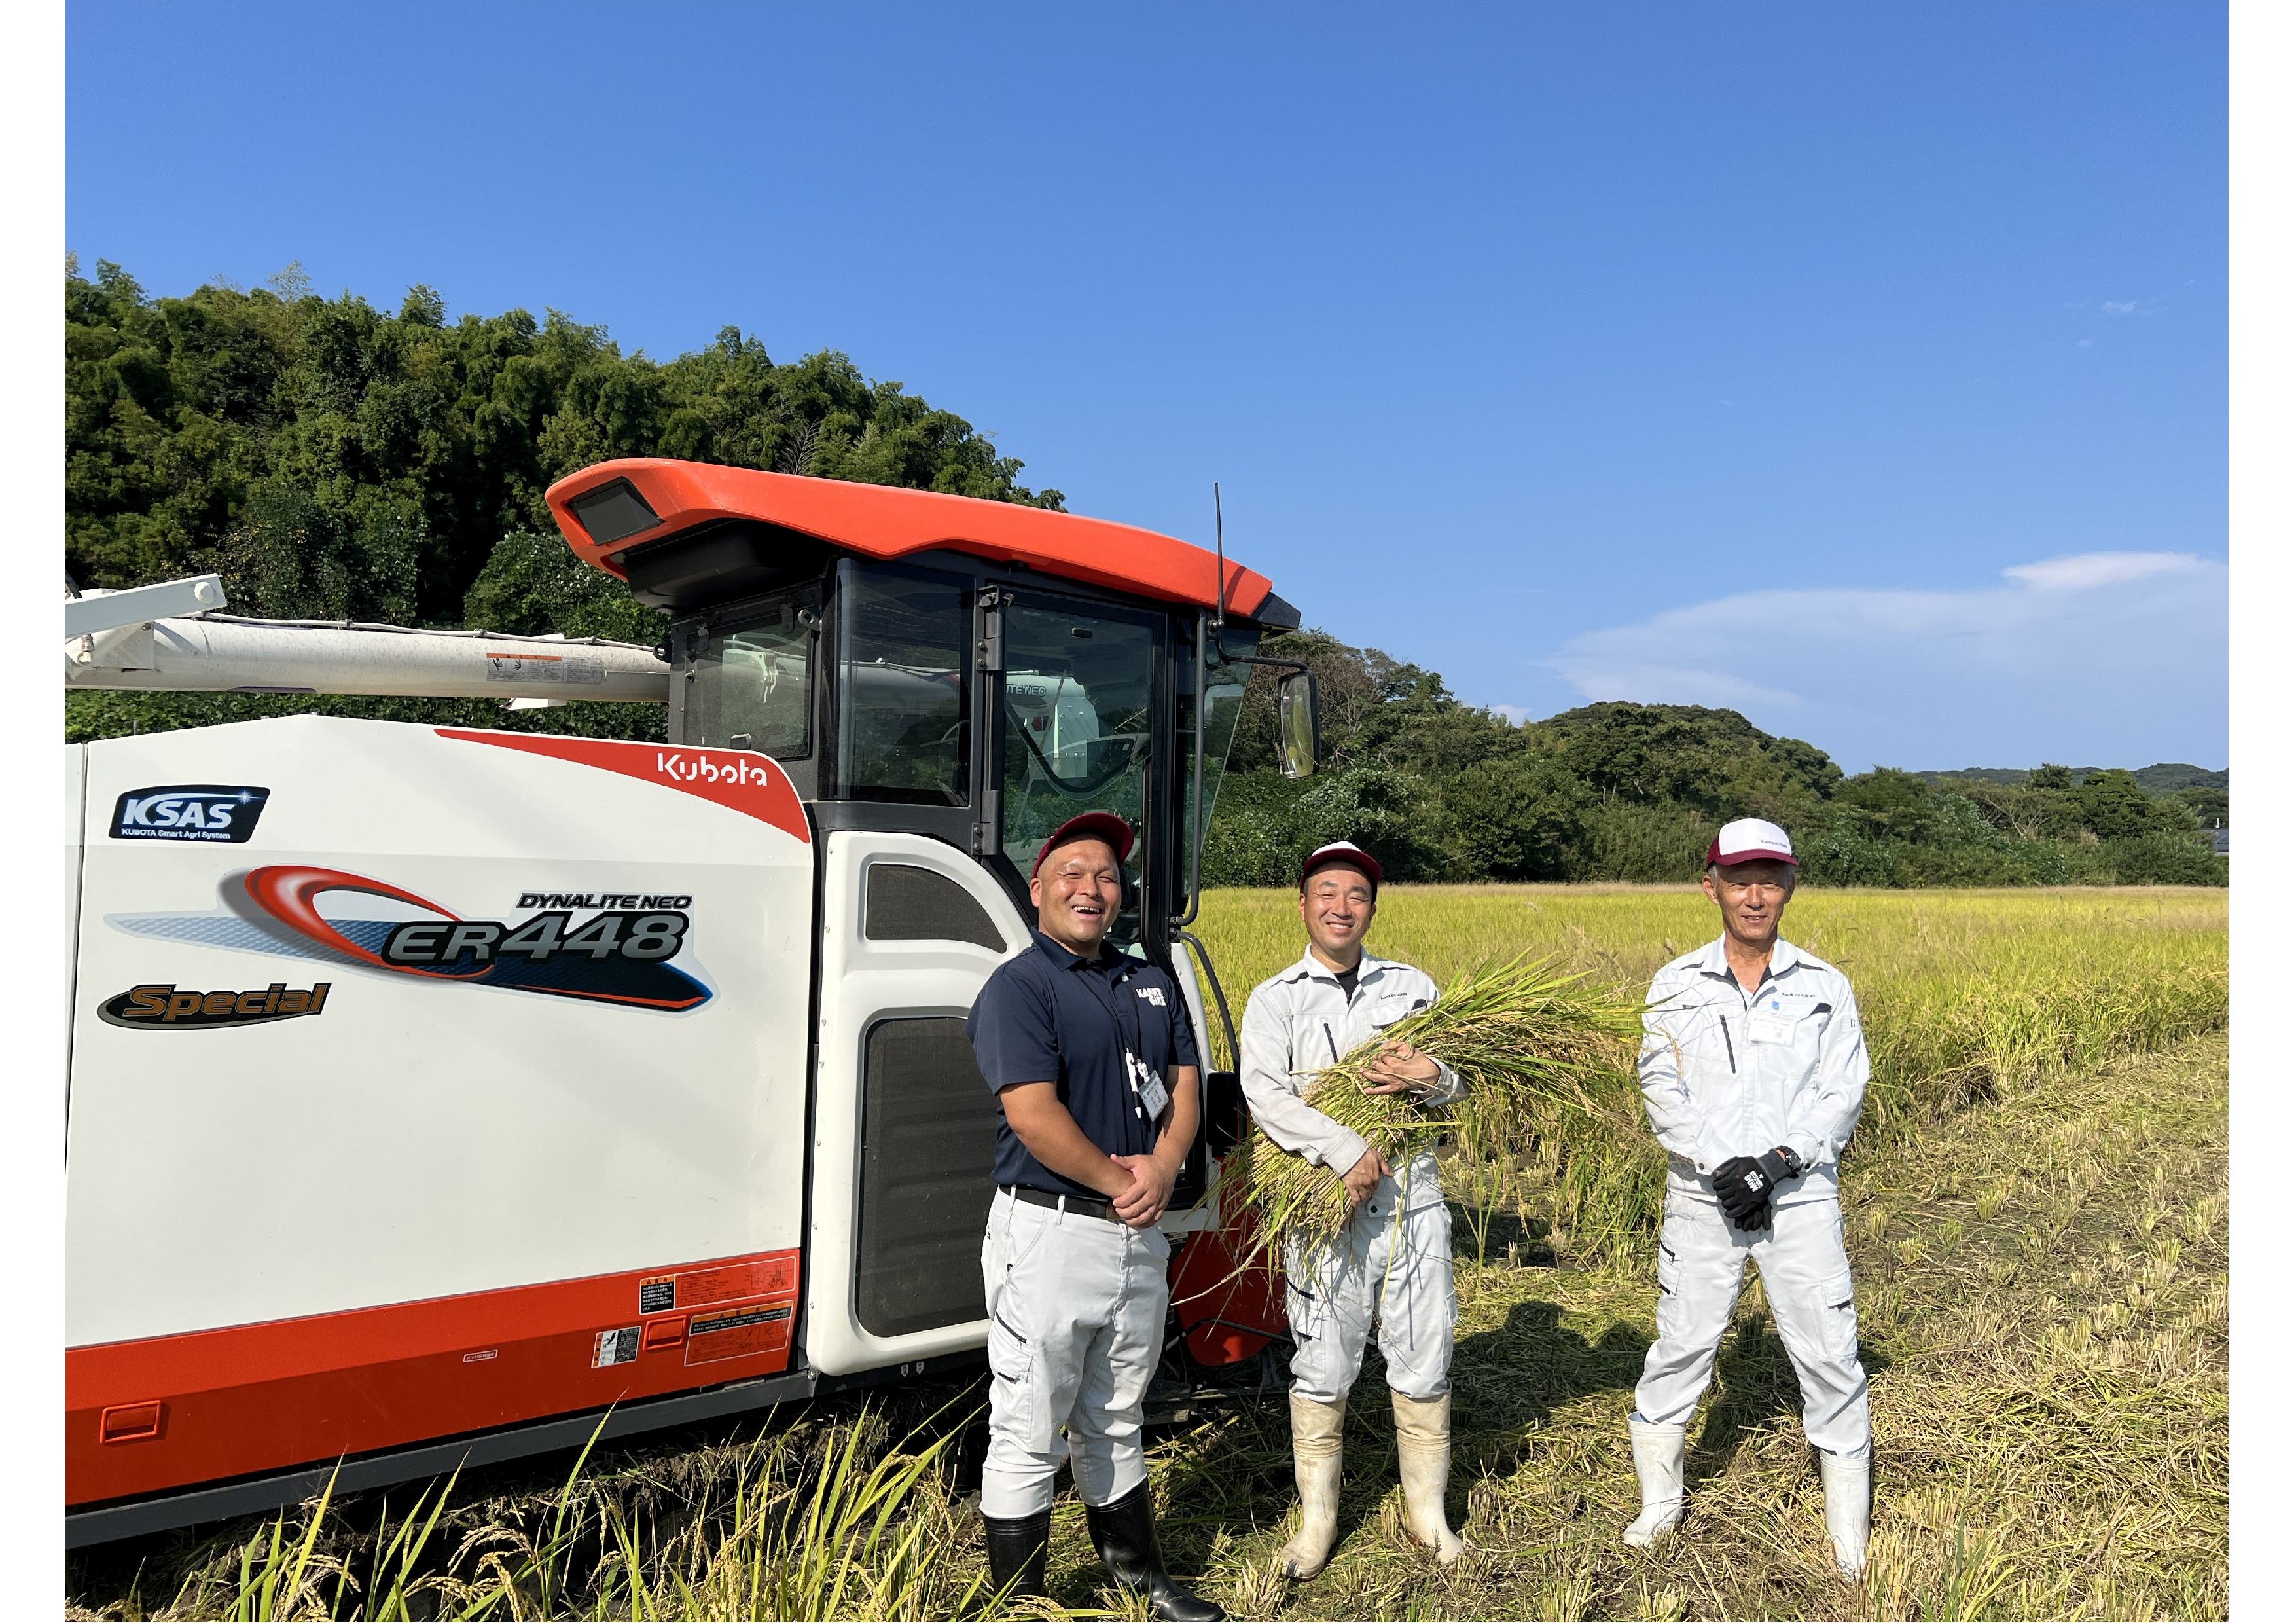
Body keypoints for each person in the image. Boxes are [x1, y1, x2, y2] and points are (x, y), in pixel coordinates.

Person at [966, 811, 1224, 1622]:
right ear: (1037, 889)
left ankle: (1139, 1579)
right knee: (1029, 1421)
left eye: (1107, 876)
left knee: (1116, 1413)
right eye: (1072, 873)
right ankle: (1019, 1604)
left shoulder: (1150, 979)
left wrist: (1165, 1165)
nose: (1091, 888)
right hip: (1050, 1233)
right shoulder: (1019, 987)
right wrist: (1121, 1179)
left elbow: (1184, 1083)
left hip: (1135, 1231)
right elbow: (1032, 1113)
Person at [1623, 816, 1874, 1578]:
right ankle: (1659, 1504)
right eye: (1739, 881)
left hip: (1799, 1200)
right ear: (1712, 888)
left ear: (1790, 886)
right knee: (1681, 1346)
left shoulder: (1824, 986)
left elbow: (1842, 1089)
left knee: (1828, 1354)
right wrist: (1724, 1166)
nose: (1754, 896)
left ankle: (1848, 1536)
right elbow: (1659, 1084)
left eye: (1769, 880)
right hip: (1702, 1200)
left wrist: (1777, 1162)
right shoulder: (1674, 985)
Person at [1237, 840, 1467, 1580]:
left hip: (1411, 1201)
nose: (1342, 907)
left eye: (1357, 895)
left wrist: (1433, 1074)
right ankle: (1318, 1523)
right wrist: (1343, 1149)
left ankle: (1426, 1513)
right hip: (1323, 1205)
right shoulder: (1276, 998)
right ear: (1303, 904)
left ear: (1373, 907)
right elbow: (1264, 1094)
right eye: (1327, 893)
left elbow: (1462, 1087)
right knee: (1323, 1362)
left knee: (1425, 1351)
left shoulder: (1412, 987)